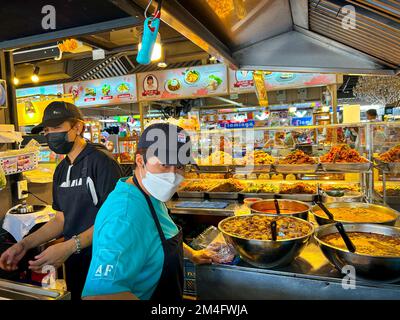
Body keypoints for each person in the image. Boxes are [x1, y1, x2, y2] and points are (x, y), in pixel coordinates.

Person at [82, 123, 220, 300]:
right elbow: (100, 296)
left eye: (180, 167)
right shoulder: (123, 216)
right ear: (140, 161)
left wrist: (192, 254)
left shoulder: (149, 193)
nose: (172, 175)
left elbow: (157, 234)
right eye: (164, 164)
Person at [0, 101, 122, 300]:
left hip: (105, 261)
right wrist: (23, 245)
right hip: (76, 261)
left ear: (77, 127)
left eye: (57, 128)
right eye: (47, 130)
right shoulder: (61, 169)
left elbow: (113, 220)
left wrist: (68, 246)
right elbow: (60, 219)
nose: (50, 135)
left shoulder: (102, 162)